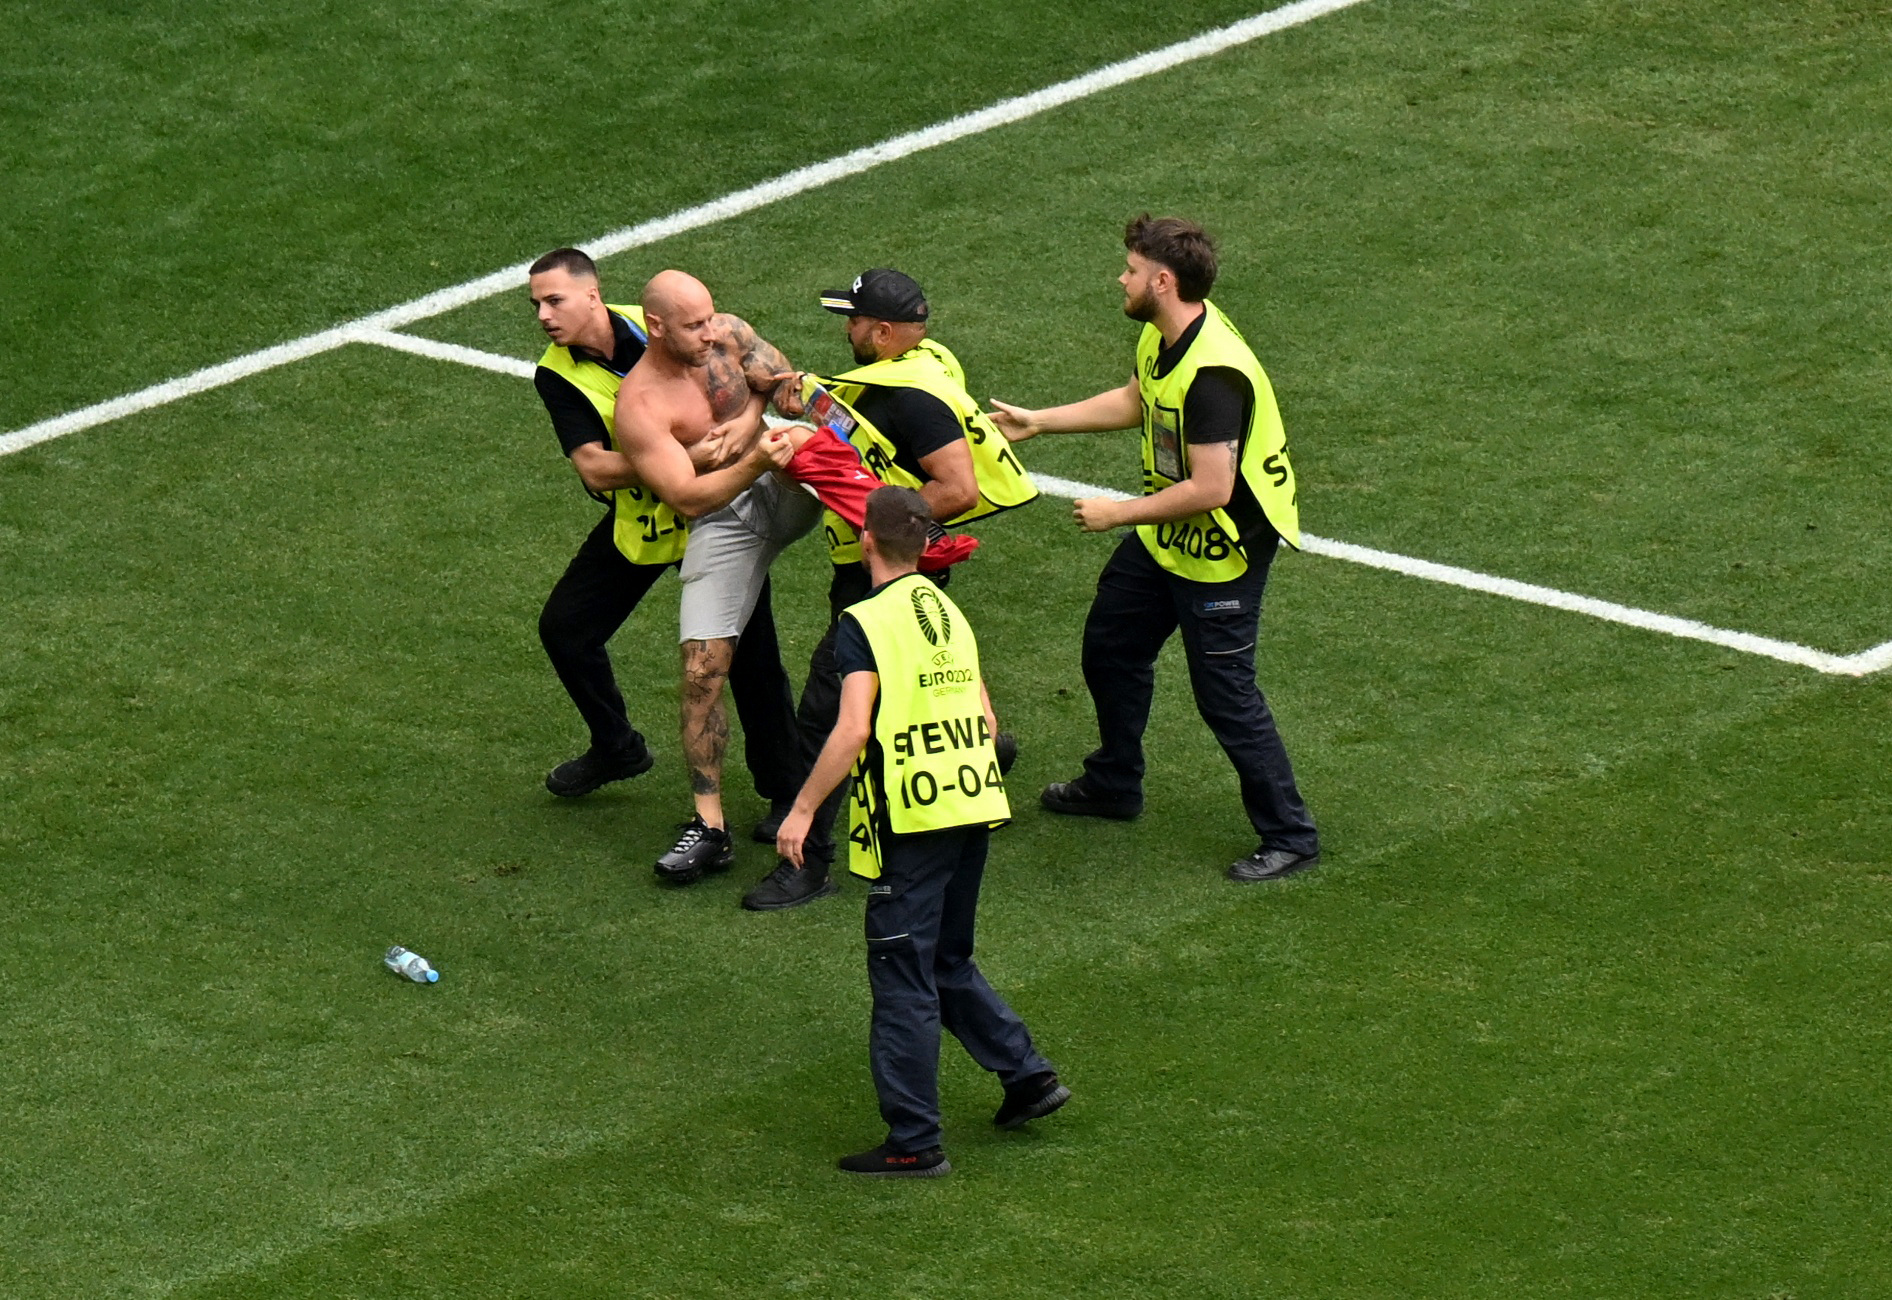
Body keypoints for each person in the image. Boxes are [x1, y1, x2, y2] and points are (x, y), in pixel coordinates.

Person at [987, 214, 1321, 883]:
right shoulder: (1162, 333)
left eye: (1132, 269)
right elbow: (1138, 398)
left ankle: (1291, 834)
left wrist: (1118, 514)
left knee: (1226, 695)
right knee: (1111, 647)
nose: (1122, 277)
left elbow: (1214, 488)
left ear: (1162, 281)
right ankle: (1115, 782)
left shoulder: (1215, 374)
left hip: (1224, 547)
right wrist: (1040, 421)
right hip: (1170, 534)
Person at [776, 486, 1068, 1177]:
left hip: (915, 817)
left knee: (903, 974)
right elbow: (990, 725)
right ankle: (1026, 1075)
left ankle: (914, 1139)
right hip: (972, 802)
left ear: (865, 542)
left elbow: (851, 729)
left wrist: (803, 809)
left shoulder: (865, 621)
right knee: (945, 960)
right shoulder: (948, 609)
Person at [738, 269, 1038, 913]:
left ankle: (807, 857)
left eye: (852, 320)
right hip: (889, 562)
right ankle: (983, 750)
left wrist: (887, 531)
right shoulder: (926, 363)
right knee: (912, 684)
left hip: (889, 570)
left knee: (830, 709)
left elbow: (958, 489)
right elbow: (867, 434)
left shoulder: (913, 396)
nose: (845, 328)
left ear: (882, 330)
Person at [528, 248, 802, 812]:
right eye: (537, 305)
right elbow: (595, 469)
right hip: (648, 522)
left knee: (752, 662)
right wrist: (671, 457)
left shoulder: (671, 325)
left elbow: (751, 377)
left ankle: (785, 792)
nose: (544, 316)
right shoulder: (556, 376)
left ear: (592, 295)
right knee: (565, 629)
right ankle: (617, 746)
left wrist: (745, 423)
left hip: (720, 518)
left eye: (554, 300)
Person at [607, 269, 819, 884]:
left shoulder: (727, 333)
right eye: (693, 325)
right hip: (723, 517)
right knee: (702, 670)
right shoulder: (639, 406)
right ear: (656, 327)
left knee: (840, 450)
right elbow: (689, 498)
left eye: (710, 317)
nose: (710, 332)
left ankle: (976, 727)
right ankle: (711, 827)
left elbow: (785, 382)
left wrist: (756, 412)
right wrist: (752, 452)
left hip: (785, 479)